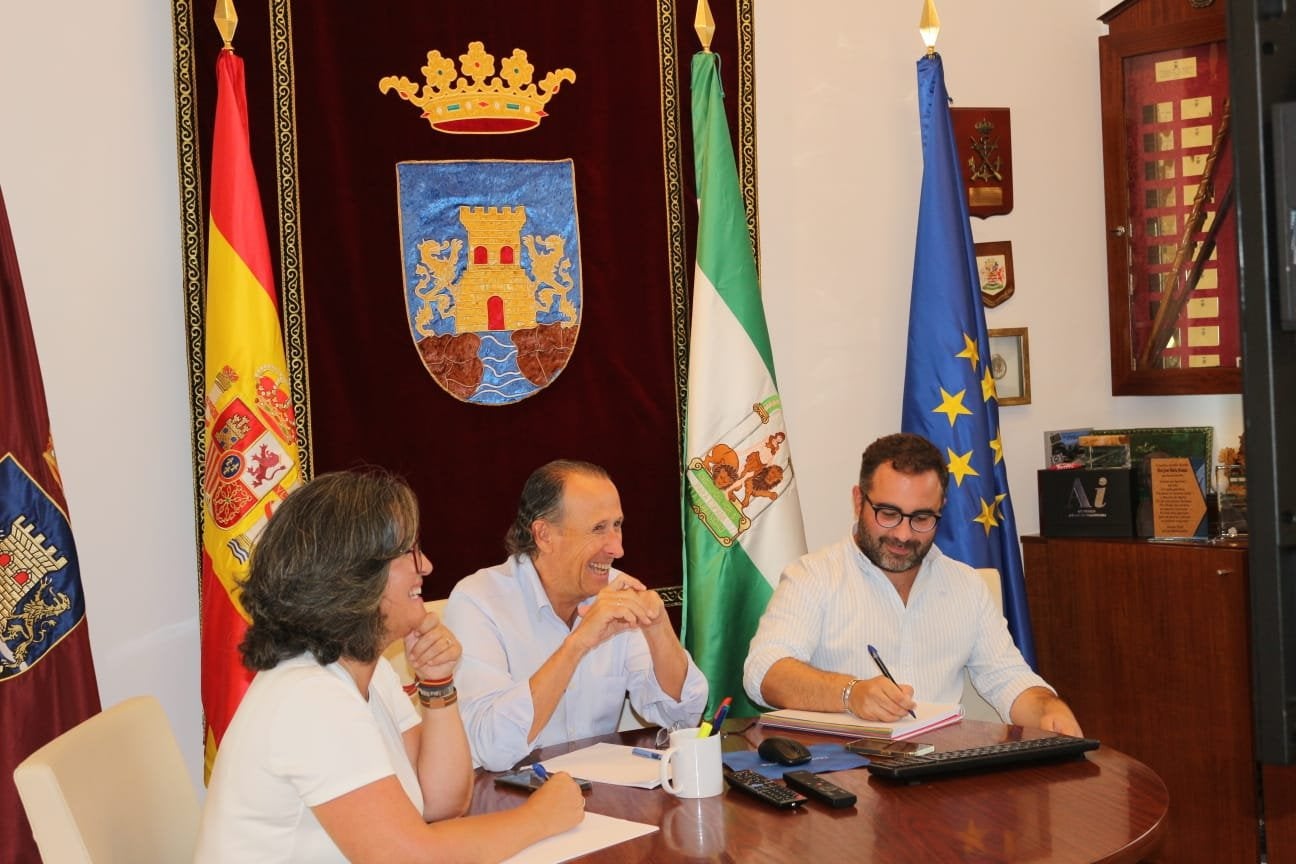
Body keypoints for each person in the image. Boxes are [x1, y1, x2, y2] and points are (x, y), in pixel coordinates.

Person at [194, 469, 584, 863]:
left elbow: (441, 801)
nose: (427, 566)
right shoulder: (311, 698)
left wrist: (438, 683)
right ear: (354, 576)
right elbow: (411, 859)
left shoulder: (368, 671)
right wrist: (538, 818)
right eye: (409, 551)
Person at [743, 433, 1081, 735]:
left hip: (939, 780)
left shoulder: (966, 585)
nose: (903, 535)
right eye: (888, 514)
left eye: (921, 518)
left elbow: (1009, 679)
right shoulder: (813, 577)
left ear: (940, 510)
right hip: (841, 777)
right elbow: (763, 672)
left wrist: (1049, 708)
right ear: (859, 501)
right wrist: (850, 694)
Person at [445, 459, 709, 770]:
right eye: (598, 529)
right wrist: (577, 644)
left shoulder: (617, 593)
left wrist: (658, 628)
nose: (617, 548)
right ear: (544, 535)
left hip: (603, 795)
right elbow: (490, 747)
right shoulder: (478, 602)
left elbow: (682, 717)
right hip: (511, 800)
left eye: (618, 525)